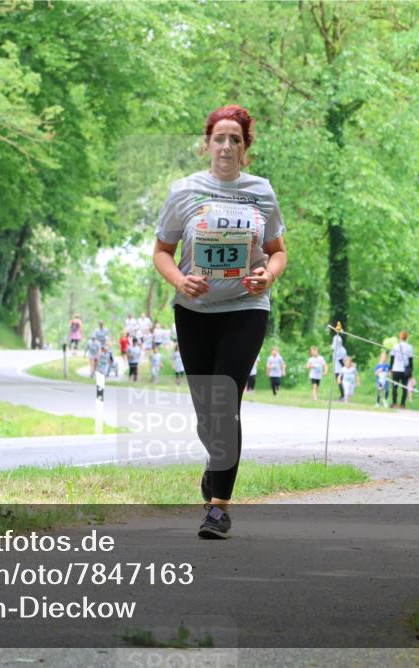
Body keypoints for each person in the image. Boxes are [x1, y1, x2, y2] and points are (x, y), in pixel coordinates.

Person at [152, 104, 286, 539]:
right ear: (206, 143)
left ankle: (219, 507)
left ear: (246, 148)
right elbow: (161, 252)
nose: (226, 146)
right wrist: (179, 280)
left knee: (225, 405)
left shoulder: (261, 191)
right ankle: (216, 467)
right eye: (219, 138)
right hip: (194, 311)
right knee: (207, 414)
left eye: (236, 139)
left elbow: (277, 250)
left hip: (246, 308)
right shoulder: (185, 191)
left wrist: (268, 272)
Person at [390, 331, 413, 409]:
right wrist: (411, 371)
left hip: (396, 369)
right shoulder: (410, 347)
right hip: (405, 371)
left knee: (394, 386)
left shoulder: (395, 346)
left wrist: (390, 369)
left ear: (400, 337)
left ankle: (394, 403)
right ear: (406, 337)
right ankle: (402, 404)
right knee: (404, 387)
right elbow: (410, 360)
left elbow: (392, 358)